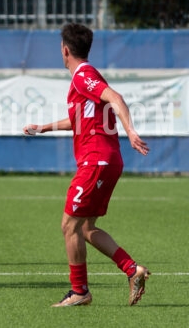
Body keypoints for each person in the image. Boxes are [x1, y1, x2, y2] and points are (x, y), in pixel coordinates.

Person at [22, 23, 150, 307]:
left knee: (69, 225)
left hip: (97, 160)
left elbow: (116, 98)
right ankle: (133, 270)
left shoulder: (83, 76)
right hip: (107, 160)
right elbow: (79, 120)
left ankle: (80, 291)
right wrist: (42, 128)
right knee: (85, 228)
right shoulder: (85, 79)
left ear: (64, 50)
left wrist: (130, 131)